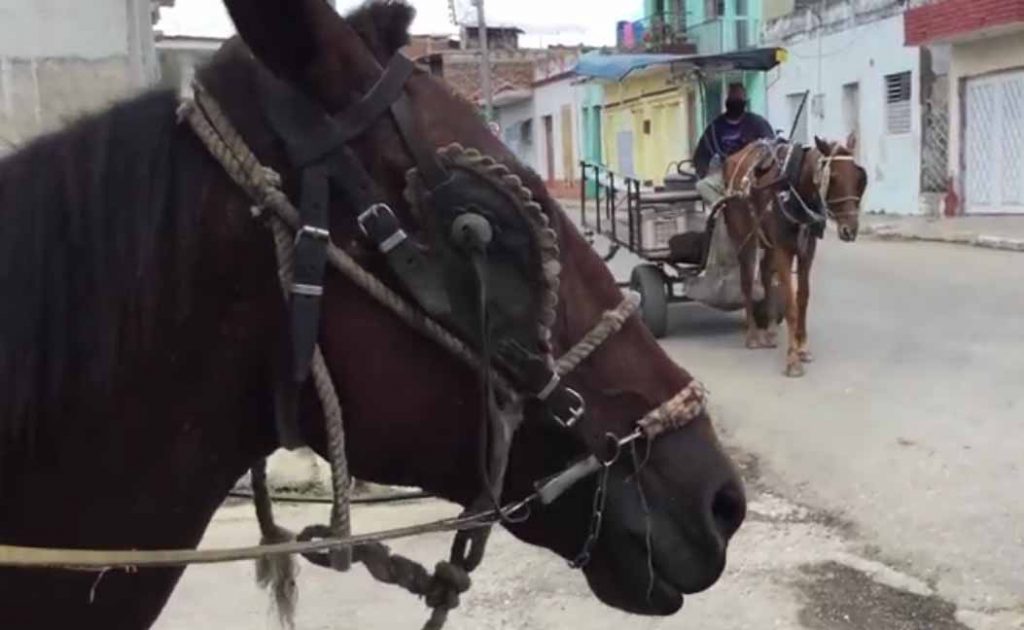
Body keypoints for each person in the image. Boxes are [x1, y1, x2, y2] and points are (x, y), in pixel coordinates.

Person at [693, 82, 775, 208]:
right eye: (732, 97)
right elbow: (701, 154)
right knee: (702, 186)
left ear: (744, 100)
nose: (735, 100)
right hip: (726, 174)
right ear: (727, 100)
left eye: (738, 97)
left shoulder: (758, 123)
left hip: (752, 174)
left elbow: (771, 146)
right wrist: (703, 172)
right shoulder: (716, 127)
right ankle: (726, 208)